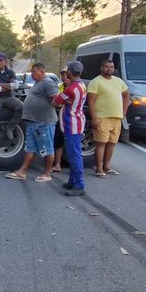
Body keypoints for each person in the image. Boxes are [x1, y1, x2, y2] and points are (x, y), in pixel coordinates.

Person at [6, 63, 59, 182]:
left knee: (47, 149)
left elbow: (56, 99)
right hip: (33, 122)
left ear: (42, 71)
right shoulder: (38, 83)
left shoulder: (48, 82)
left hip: (44, 122)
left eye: (34, 71)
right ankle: (22, 172)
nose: (32, 74)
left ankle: (46, 174)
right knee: (30, 148)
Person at [86, 59, 130, 178]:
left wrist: (124, 111)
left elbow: (126, 95)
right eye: (106, 66)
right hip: (102, 117)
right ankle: (99, 168)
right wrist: (94, 118)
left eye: (111, 67)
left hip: (116, 118)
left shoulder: (118, 81)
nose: (109, 69)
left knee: (112, 143)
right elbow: (91, 101)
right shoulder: (96, 82)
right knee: (101, 144)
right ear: (102, 68)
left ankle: (107, 166)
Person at [54, 61, 88, 196]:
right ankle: (72, 180)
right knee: (74, 153)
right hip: (76, 122)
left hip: (71, 124)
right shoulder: (81, 85)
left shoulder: (70, 89)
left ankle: (79, 184)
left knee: (74, 155)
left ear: (70, 72)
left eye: (67, 70)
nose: (65, 72)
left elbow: (54, 102)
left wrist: (65, 100)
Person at [51, 68, 69, 173]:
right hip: (58, 115)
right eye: (62, 75)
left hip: (70, 117)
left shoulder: (75, 87)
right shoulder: (59, 87)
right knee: (58, 140)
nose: (64, 77)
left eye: (66, 75)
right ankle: (57, 163)